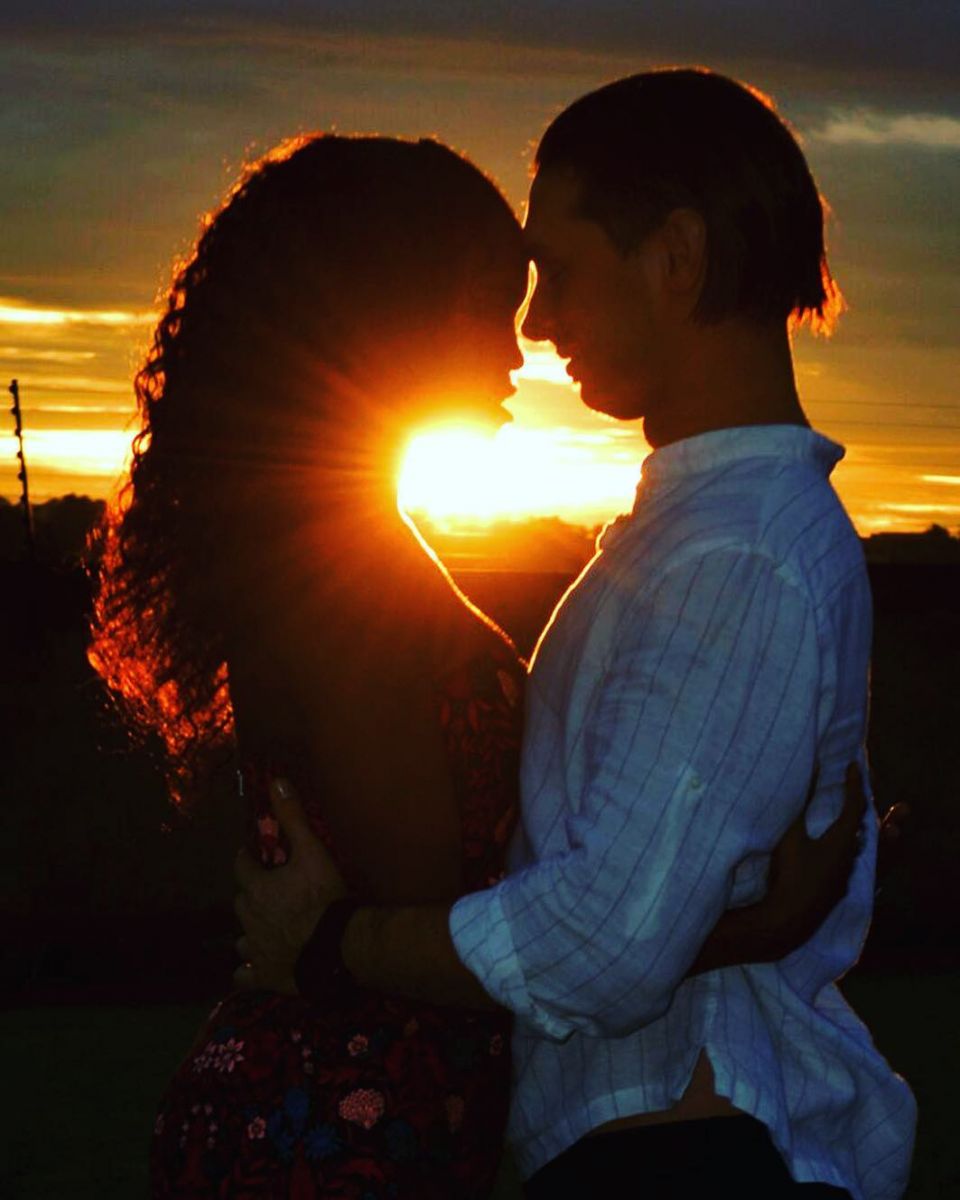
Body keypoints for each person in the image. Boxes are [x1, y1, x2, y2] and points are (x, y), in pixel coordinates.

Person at [89, 130, 859, 1198]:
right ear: (383, 311)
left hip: (369, 1120)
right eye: (490, 305)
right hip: (329, 1132)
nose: (521, 346)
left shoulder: (368, 541)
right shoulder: (340, 579)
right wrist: (760, 922)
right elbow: (441, 920)